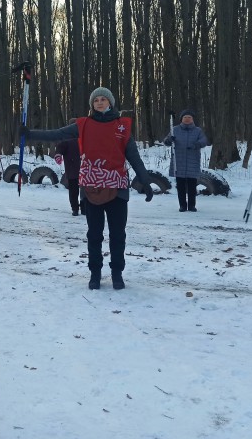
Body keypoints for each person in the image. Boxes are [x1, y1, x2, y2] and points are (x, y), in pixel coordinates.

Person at [21, 87, 155, 290]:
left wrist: (145, 180)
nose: (100, 102)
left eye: (103, 99)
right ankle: (95, 273)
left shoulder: (122, 127)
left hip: (117, 187)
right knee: (94, 234)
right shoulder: (83, 124)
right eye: (96, 100)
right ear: (92, 104)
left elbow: (133, 156)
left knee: (118, 234)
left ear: (110, 103)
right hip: (91, 187)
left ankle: (117, 273)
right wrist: (30, 134)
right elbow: (57, 134)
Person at [163, 109, 208, 212]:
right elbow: (166, 141)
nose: (187, 119)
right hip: (179, 161)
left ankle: (192, 205)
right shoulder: (175, 130)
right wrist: (170, 140)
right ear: (181, 119)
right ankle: (182, 205)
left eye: (189, 117)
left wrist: (196, 144)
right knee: (181, 186)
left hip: (193, 161)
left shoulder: (198, 131)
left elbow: (204, 141)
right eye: (185, 117)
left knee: (192, 186)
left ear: (192, 119)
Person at [55, 118, 85, 216]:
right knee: (74, 191)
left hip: (85, 169)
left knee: (85, 190)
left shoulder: (84, 137)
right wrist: (58, 155)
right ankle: (75, 208)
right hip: (72, 168)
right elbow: (60, 147)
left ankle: (84, 208)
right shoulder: (66, 138)